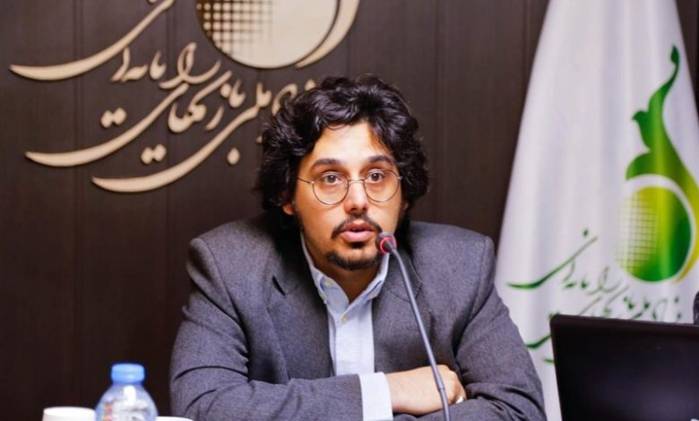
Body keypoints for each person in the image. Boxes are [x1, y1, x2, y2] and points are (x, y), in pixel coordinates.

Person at [170, 76, 545, 420]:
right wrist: (385, 393)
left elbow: (518, 411)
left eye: (377, 176)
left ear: (404, 193)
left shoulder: (460, 265)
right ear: (287, 195)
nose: (358, 201)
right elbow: (202, 405)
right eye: (330, 178)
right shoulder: (230, 264)